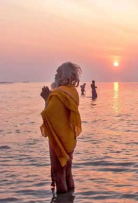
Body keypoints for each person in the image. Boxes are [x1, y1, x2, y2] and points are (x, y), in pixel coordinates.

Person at [40, 62, 82, 193]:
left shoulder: (58, 93)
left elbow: (49, 115)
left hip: (59, 138)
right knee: (68, 172)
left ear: (63, 75)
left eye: (58, 72)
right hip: (70, 138)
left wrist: (47, 99)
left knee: (59, 174)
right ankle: (70, 198)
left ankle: (62, 200)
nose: (55, 75)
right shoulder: (72, 92)